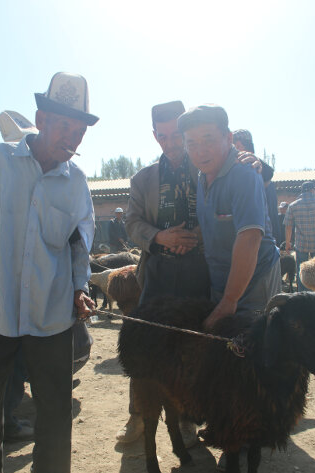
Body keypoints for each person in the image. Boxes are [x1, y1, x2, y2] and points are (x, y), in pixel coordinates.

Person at [0, 72, 97, 473]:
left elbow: (80, 246)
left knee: (55, 401)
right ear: (42, 119)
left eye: (79, 129)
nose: (71, 136)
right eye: (63, 124)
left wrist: (80, 289)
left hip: (51, 310)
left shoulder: (77, 182)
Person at [117, 101, 261, 446]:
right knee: (147, 344)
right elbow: (132, 222)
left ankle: (190, 417)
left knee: (199, 346)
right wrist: (159, 237)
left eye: (175, 136)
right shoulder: (142, 179)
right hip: (158, 273)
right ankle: (139, 416)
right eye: (163, 136)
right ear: (156, 136)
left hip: (201, 274)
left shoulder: (209, 165)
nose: (172, 144)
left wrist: (254, 160)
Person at [178, 105, 281, 333]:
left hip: (254, 284)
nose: (200, 151)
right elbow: (215, 223)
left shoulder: (243, 174)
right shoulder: (202, 176)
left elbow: (250, 238)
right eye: (191, 143)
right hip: (223, 281)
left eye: (208, 140)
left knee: (252, 350)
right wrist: (187, 238)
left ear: (229, 137)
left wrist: (229, 301)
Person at [233, 129, 281, 245]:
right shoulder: (263, 174)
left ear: (239, 145)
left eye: (233, 146)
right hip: (264, 243)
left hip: (257, 243)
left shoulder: (255, 173)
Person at [284, 182, 315, 291]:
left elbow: (288, 226)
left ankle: (303, 294)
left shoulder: (293, 205)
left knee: (301, 270)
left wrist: (288, 242)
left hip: (301, 243)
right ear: (312, 190)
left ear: (302, 191)